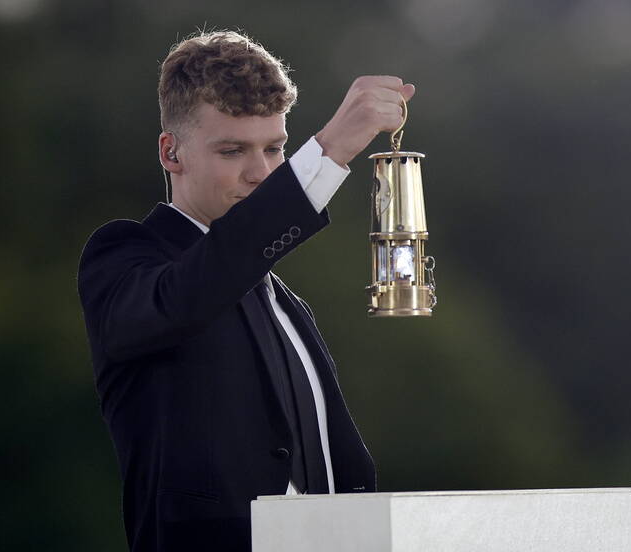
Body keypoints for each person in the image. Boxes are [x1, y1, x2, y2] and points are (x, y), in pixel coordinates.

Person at [77, 30, 415, 551]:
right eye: (233, 150)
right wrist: (326, 155)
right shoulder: (125, 257)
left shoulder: (282, 299)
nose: (260, 173)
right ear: (171, 152)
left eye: (275, 148)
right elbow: (196, 289)